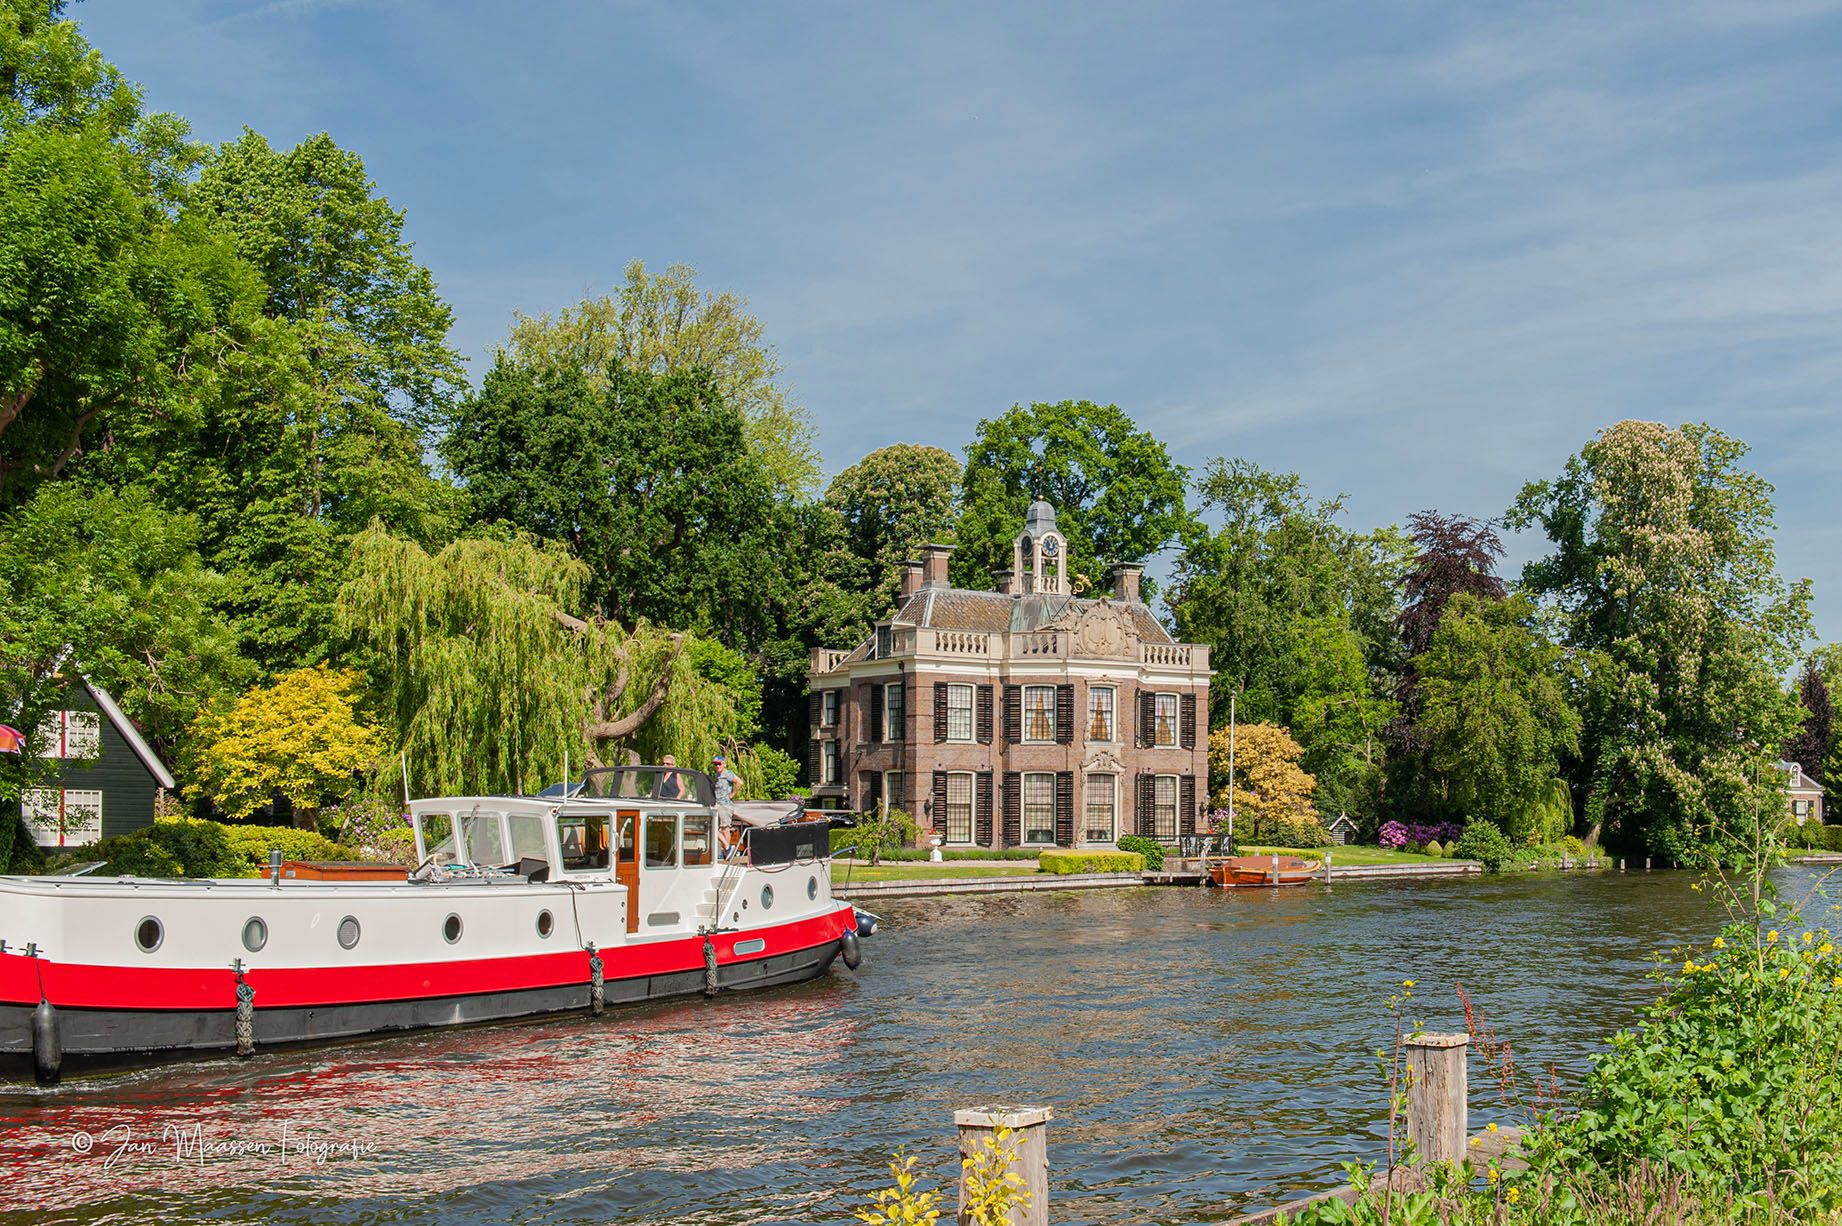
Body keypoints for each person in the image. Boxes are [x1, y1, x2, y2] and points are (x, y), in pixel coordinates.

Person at [711, 754, 741, 823]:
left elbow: (739, 782)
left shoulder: (727, 773)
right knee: (717, 829)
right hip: (718, 805)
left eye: (719, 764)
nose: (717, 766)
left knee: (725, 828)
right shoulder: (717, 775)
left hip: (725, 805)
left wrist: (732, 794)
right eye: (715, 764)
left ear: (724, 764)